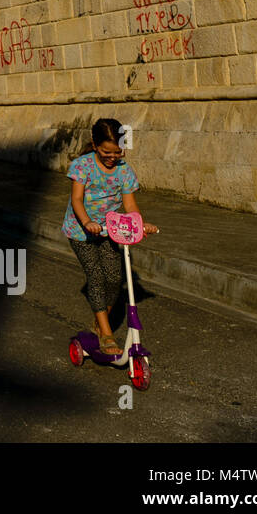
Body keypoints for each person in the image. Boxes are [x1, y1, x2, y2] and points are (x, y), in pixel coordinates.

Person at [62, 118, 160, 356]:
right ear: (95, 145)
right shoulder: (82, 165)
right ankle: (106, 334)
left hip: (110, 230)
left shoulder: (124, 170)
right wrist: (87, 222)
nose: (112, 156)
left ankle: (100, 319)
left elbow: (129, 204)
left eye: (117, 152)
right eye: (107, 151)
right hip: (81, 231)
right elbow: (76, 199)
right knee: (95, 276)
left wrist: (140, 224)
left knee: (115, 279)